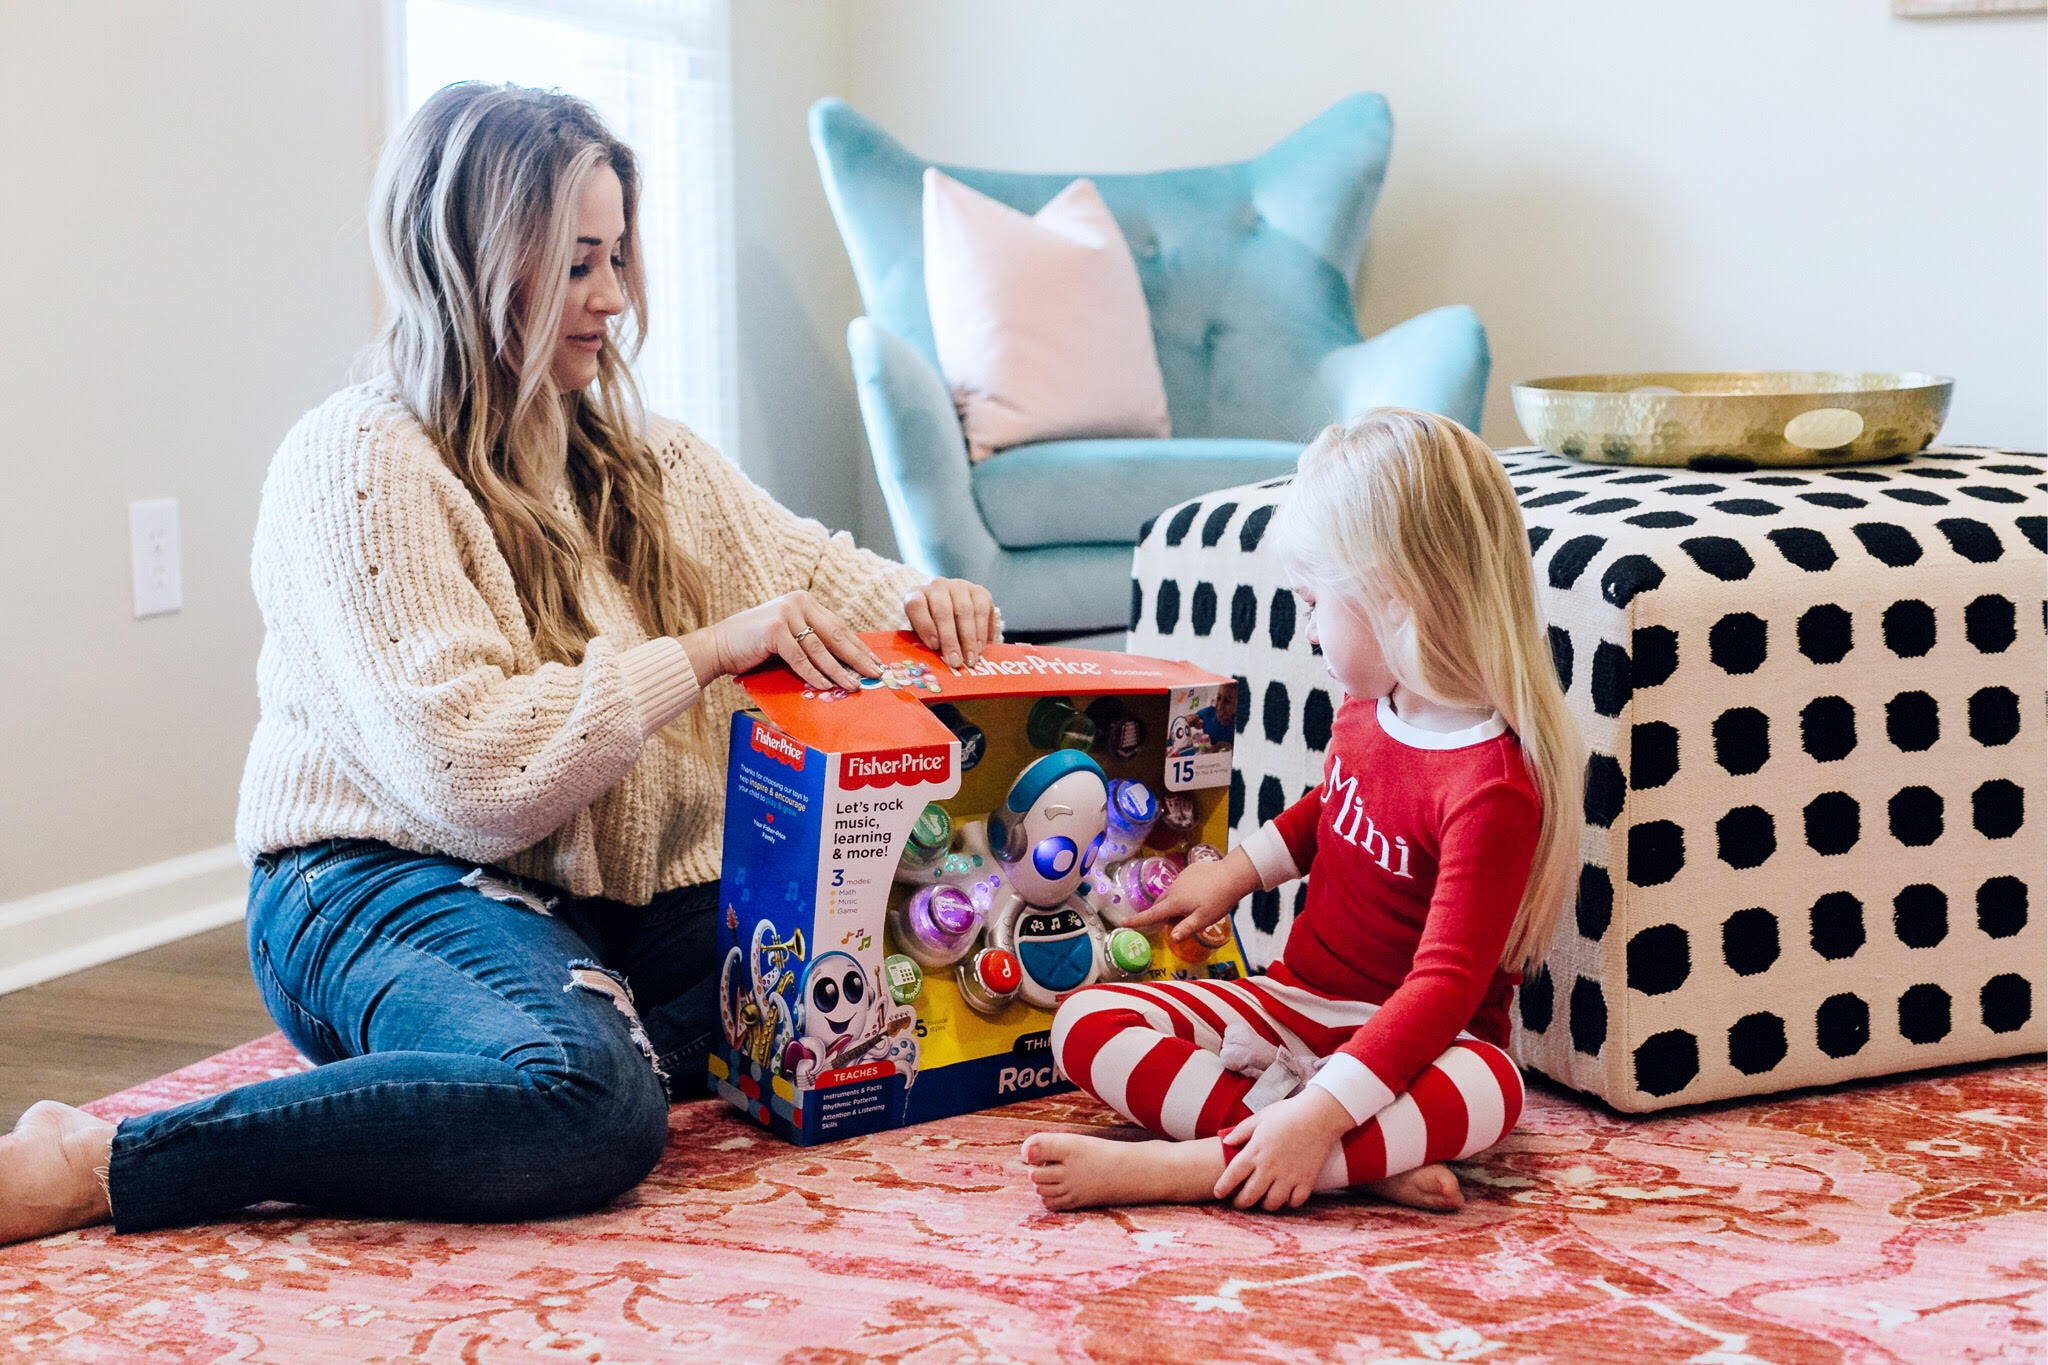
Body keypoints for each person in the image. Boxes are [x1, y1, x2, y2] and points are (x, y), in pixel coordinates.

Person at [0, 83, 1000, 1245]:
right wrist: (706, 650)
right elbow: (474, 775)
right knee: (587, 1104)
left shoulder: (646, 456)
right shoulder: (359, 462)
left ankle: (546, 1033)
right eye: (579, 264)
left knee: (875, 985)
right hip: (377, 883)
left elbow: (811, 573)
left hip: (592, 908)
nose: (615, 300)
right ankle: (101, 1158)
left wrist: (932, 606)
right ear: (474, 261)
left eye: (617, 257)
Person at [1022, 408, 1583, 1213]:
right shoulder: (1371, 705)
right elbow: (1330, 812)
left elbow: (1443, 990)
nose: (1309, 629)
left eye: (1316, 602)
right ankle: (1350, 1160)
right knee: (1085, 1020)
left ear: (1393, 595)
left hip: (1423, 1044)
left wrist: (1322, 1108)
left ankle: (1191, 1167)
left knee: (1493, 1090)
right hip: (1296, 1003)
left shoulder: (1492, 784)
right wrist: (1235, 875)